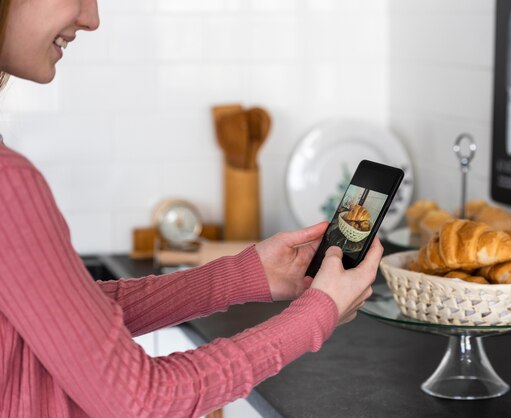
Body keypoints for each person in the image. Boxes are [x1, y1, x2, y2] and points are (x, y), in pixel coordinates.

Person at [0, 0, 383, 416]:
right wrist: (317, 314)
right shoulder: (9, 182)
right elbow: (145, 402)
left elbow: (65, 319)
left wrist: (245, 276)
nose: (91, 18)